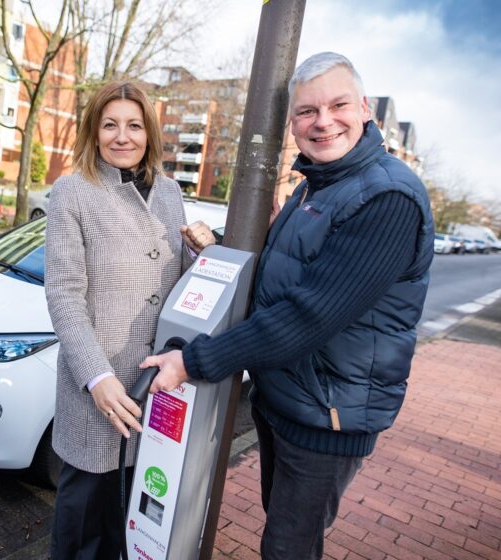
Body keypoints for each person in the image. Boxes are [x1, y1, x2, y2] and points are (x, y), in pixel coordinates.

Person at [141, 52, 434, 559]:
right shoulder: (313, 188)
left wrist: (193, 360)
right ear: (293, 123)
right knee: (282, 535)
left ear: (365, 110)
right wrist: (217, 252)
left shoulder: (387, 196)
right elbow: (279, 275)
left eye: (338, 105)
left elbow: (310, 314)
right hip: (288, 400)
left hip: (327, 415)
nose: (323, 122)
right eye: (307, 111)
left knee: (287, 548)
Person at [45, 81, 214, 559]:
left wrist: (203, 253)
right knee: (84, 528)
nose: (123, 136)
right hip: (101, 389)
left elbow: (179, 281)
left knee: (134, 522)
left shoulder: (168, 192)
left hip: (157, 384)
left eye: (134, 125)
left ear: (150, 133)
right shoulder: (73, 191)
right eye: (110, 125)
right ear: (94, 132)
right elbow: (63, 293)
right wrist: (95, 378)